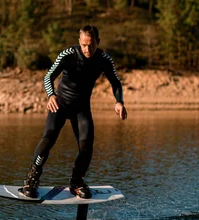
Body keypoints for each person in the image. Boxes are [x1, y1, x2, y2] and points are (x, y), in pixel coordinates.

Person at [21, 25, 128, 199]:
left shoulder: (104, 59)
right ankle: (32, 179)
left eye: (91, 45)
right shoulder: (68, 55)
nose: (87, 49)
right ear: (79, 41)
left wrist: (119, 102)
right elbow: (48, 77)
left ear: (98, 43)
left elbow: (115, 82)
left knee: (86, 147)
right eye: (84, 45)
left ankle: (76, 181)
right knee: (48, 140)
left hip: (81, 108)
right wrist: (51, 95)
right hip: (60, 105)